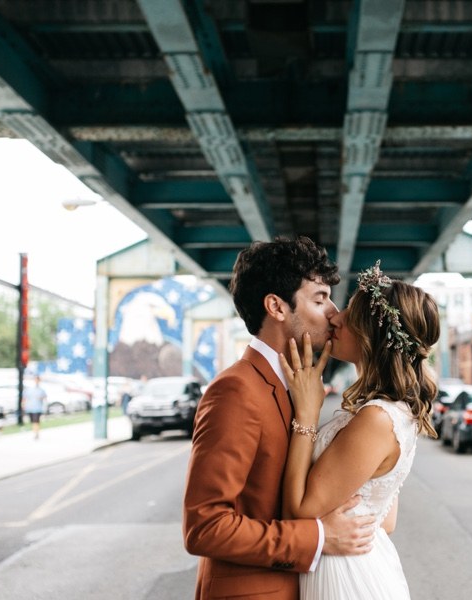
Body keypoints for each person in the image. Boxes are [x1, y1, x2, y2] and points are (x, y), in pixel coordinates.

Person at [182, 236, 376, 600]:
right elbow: (204, 527)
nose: (334, 312)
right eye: (320, 299)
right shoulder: (236, 391)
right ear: (276, 306)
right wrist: (319, 536)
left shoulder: (298, 385)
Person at [280, 260, 440, 599]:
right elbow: (386, 518)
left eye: (349, 315)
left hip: (345, 578)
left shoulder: (377, 419)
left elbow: (300, 510)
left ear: (373, 334)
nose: (334, 317)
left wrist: (306, 416)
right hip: (361, 565)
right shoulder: (391, 412)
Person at [22, 375, 47, 440]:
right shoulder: (28, 389)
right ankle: (35, 432)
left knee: (36, 421)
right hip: (29, 408)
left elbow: (44, 398)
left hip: (38, 408)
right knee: (33, 421)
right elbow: (24, 398)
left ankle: (36, 433)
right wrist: (23, 405)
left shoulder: (41, 390)